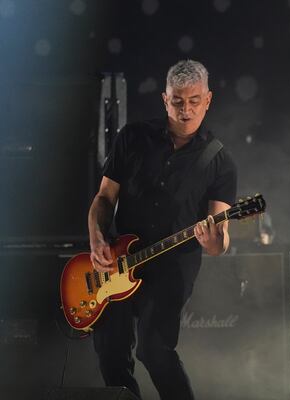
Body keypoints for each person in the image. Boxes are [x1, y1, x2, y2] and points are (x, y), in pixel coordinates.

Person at [88, 59, 237, 399]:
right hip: (120, 259)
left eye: (194, 101)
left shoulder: (219, 161)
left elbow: (219, 242)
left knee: (155, 351)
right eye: (178, 101)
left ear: (209, 99)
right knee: (111, 355)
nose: (186, 110)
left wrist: (213, 240)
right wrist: (97, 238)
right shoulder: (133, 138)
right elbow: (104, 197)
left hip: (172, 267)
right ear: (164, 98)